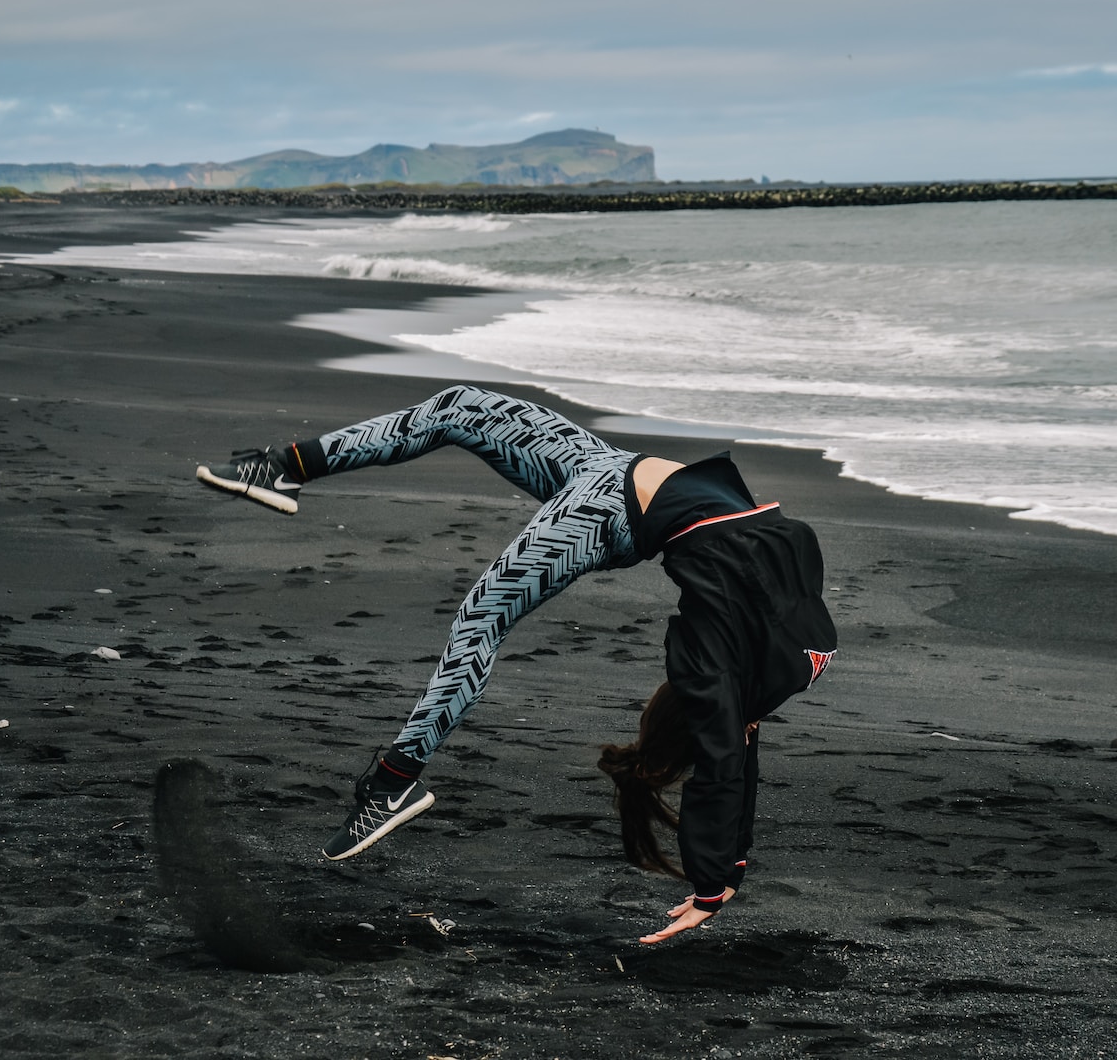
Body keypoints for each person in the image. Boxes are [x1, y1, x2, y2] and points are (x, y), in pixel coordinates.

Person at [196, 384, 837, 943]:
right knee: (460, 407)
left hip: (611, 509)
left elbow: (727, 755)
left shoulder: (754, 665)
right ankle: (283, 470)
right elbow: (730, 756)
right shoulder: (744, 685)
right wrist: (727, 873)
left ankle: (394, 780)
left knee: (482, 618)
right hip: (614, 469)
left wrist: (711, 885)